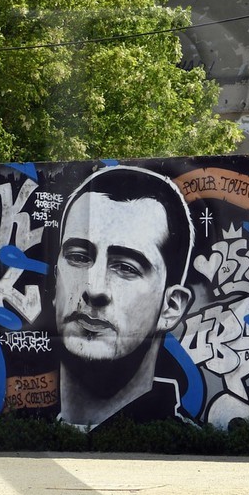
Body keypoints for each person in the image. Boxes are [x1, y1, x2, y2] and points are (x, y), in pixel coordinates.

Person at [52, 167, 195, 429]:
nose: (94, 289)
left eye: (126, 268)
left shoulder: (179, 447)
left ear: (170, 307)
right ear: (55, 282)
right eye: (79, 257)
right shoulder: (22, 431)